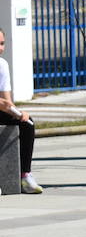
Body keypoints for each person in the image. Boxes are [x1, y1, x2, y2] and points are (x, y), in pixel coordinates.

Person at [0, 28, 40, 193]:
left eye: (2, 43)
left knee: (27, 124)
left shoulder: (2, 65)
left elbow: (7, 101)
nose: (0, 48)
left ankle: (24, 175)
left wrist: (19, 114)